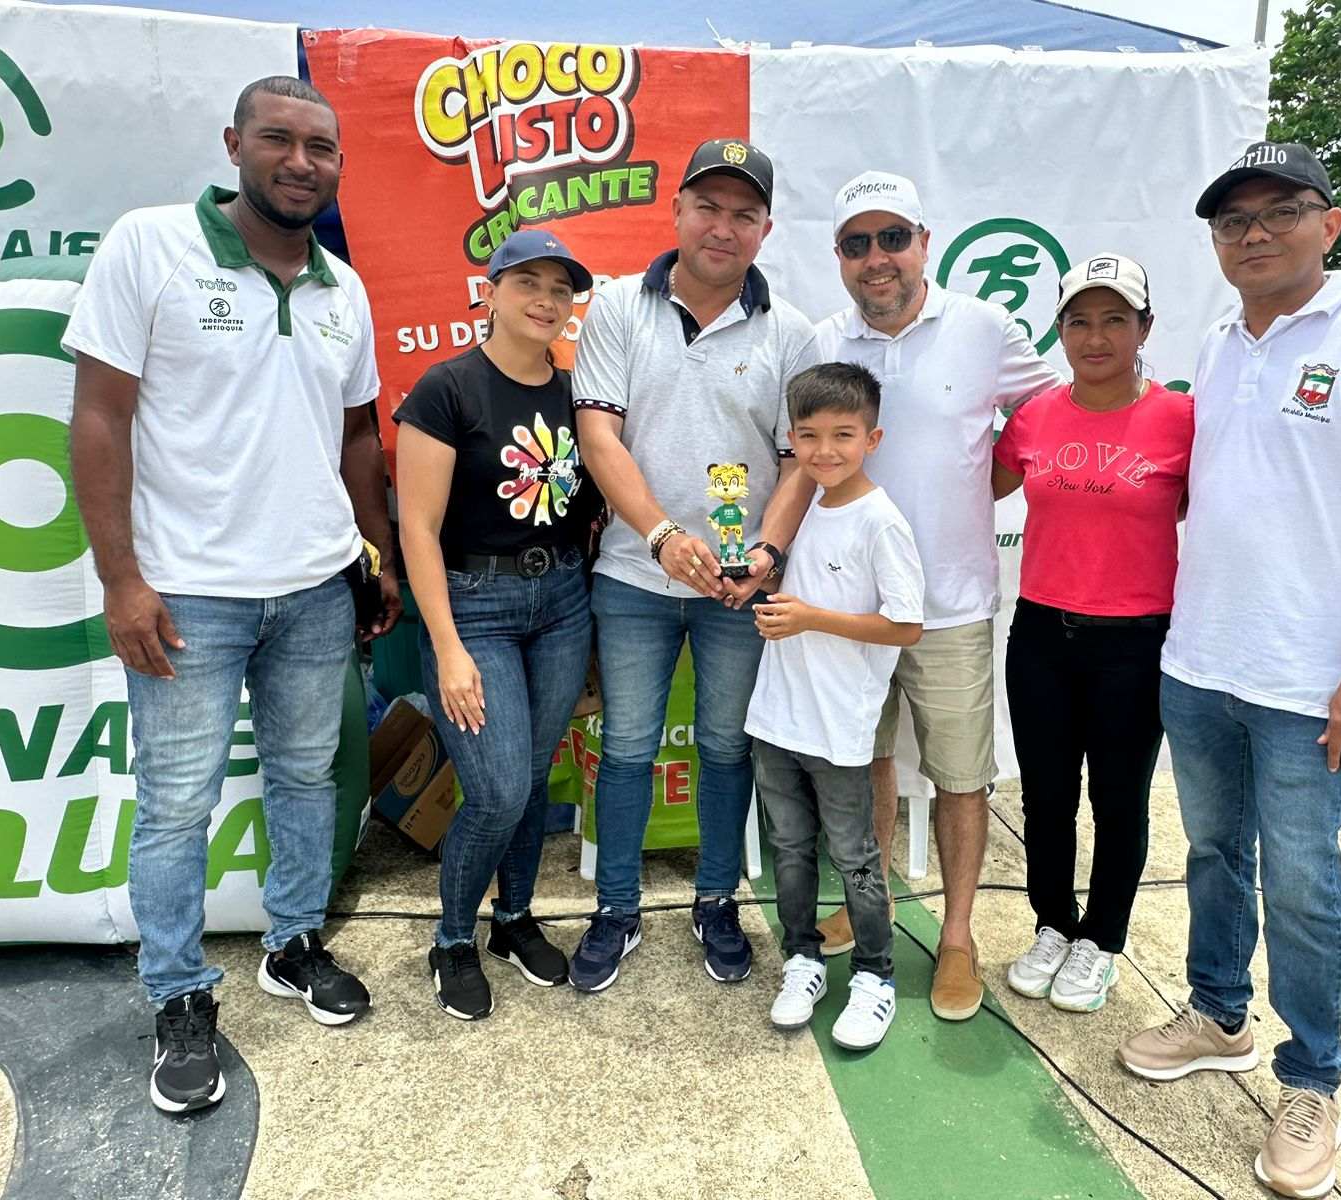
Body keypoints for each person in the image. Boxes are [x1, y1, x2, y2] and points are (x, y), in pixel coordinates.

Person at [1115, 142, 1341, 1199]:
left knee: (1303, 880)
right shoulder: (1216, 343)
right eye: (1230, 221)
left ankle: (1312, 1079)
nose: (1253, 233)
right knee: (1214, 852)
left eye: (1278, 212)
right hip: (1202, 658)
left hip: (1313, 678)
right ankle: (1218, 1013)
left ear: (1329, 223)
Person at [65, 76, 400, 1114]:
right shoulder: (149, 245)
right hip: (187, 596)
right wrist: (121, 578)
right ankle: (176, 993)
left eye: (321, 147)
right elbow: (98, 418)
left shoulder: (343, 289)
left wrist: (371, 558)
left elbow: (354, 436)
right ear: (234, 145)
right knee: (174, 806)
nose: (300, 162)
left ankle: (292, 943)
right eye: (277, 140)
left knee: (306, 777)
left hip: (311, 590)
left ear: (340, 165)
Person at [568, 138, 820, 991]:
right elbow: (598, 435)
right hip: (635, 577)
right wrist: (664, 536)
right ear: (676, 211)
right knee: (630, 746)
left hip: (738, 584)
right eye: (707, 206)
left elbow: (798, 461)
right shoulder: (613, 308)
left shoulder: (792, 332)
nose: (723, 226)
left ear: (766, 229)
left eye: (743, 213)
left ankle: (717, 899)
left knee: (723, 746)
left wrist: (770, 552)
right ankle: (615, 909)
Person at [812, 171, 1061, 1021]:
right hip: (853, 606)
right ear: (839, 257)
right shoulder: (822, 339)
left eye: (891, 239)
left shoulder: (985, 328)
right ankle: (869, 897)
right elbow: (798, 456)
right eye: (856, 243)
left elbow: (1049, 413)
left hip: (952, 604)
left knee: (961, 781)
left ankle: (958, 939)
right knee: (866, 765)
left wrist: (983, 478)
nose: (875, 259)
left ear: (925, 242)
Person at [394, 230, 601, 1020]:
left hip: (562, 605)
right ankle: (452, 938)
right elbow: (416, 527)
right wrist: (447, 647)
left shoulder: (577, 395)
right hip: (473, 604)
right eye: (528, 283)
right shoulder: (447, 390)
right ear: (490, 290)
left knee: (535, 772)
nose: (546, 299)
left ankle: (513, 919)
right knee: (498, 785)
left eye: (561, 287)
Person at [992, 254, 1193, 1013]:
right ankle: (1053, 923)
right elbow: (974, 486)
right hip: (1040, 630)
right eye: (1079, 319)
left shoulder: (1180, 419)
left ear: (1145, 328)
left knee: (1119, 799)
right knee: (1046, 797)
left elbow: (1229, 508)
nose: (1096, 335)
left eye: (1116, 319)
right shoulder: (1036, 416)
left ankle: (1102, 940)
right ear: (1060, 329)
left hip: (1134, 642)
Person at [745, 363, 925, 1050]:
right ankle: (802, 960)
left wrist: (811, 617)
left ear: (872, 437)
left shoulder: (882, 522)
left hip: (840, 727)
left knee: (854, 860)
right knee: (790, 850)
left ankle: (876, 978)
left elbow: (906, 626)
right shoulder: (807, 505)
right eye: (810, 435)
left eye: (843, 435)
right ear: (792, 437)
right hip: (776, 718)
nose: (825, 450)